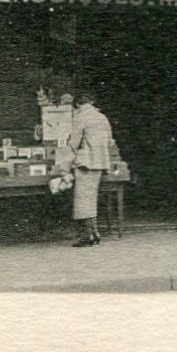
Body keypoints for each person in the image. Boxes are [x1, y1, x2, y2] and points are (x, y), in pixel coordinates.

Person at [66, 91, 115, 247]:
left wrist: (65, 162)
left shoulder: (80, 117)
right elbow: (109, 141)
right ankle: (95, 233)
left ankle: (87, 236)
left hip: (85, 163)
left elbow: (74, 143)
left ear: (78, 104)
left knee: (82, 200)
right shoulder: (102, 117)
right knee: (91, 198)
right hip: (100, 163)